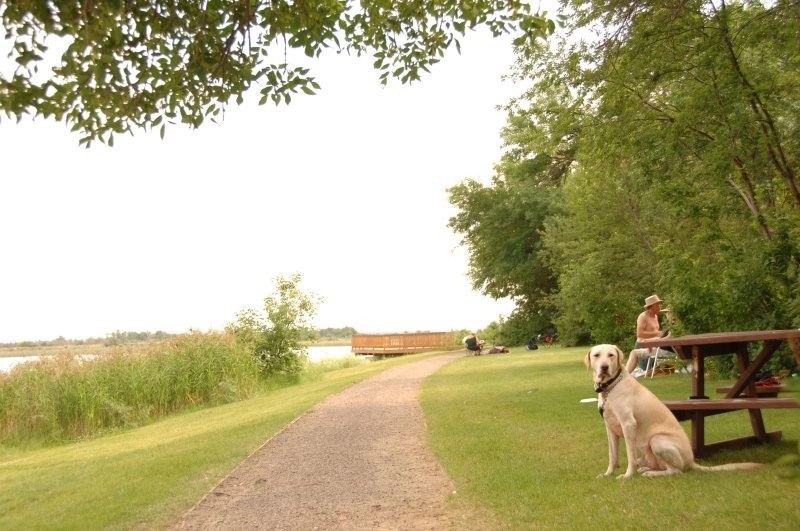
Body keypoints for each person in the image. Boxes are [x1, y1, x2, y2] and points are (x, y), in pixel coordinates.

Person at [626, 294, 671, 377]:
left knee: (650, 370)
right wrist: (657, 334)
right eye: (658, 304)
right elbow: (639, 334)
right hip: (642, 344)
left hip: (654, 345)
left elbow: (656, 332)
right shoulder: (643, 316)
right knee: (645, 369)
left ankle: (625, 374)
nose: (660, 306)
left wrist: (659, 336)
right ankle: (624, 375)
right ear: (652, 306)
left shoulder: (656, 316)